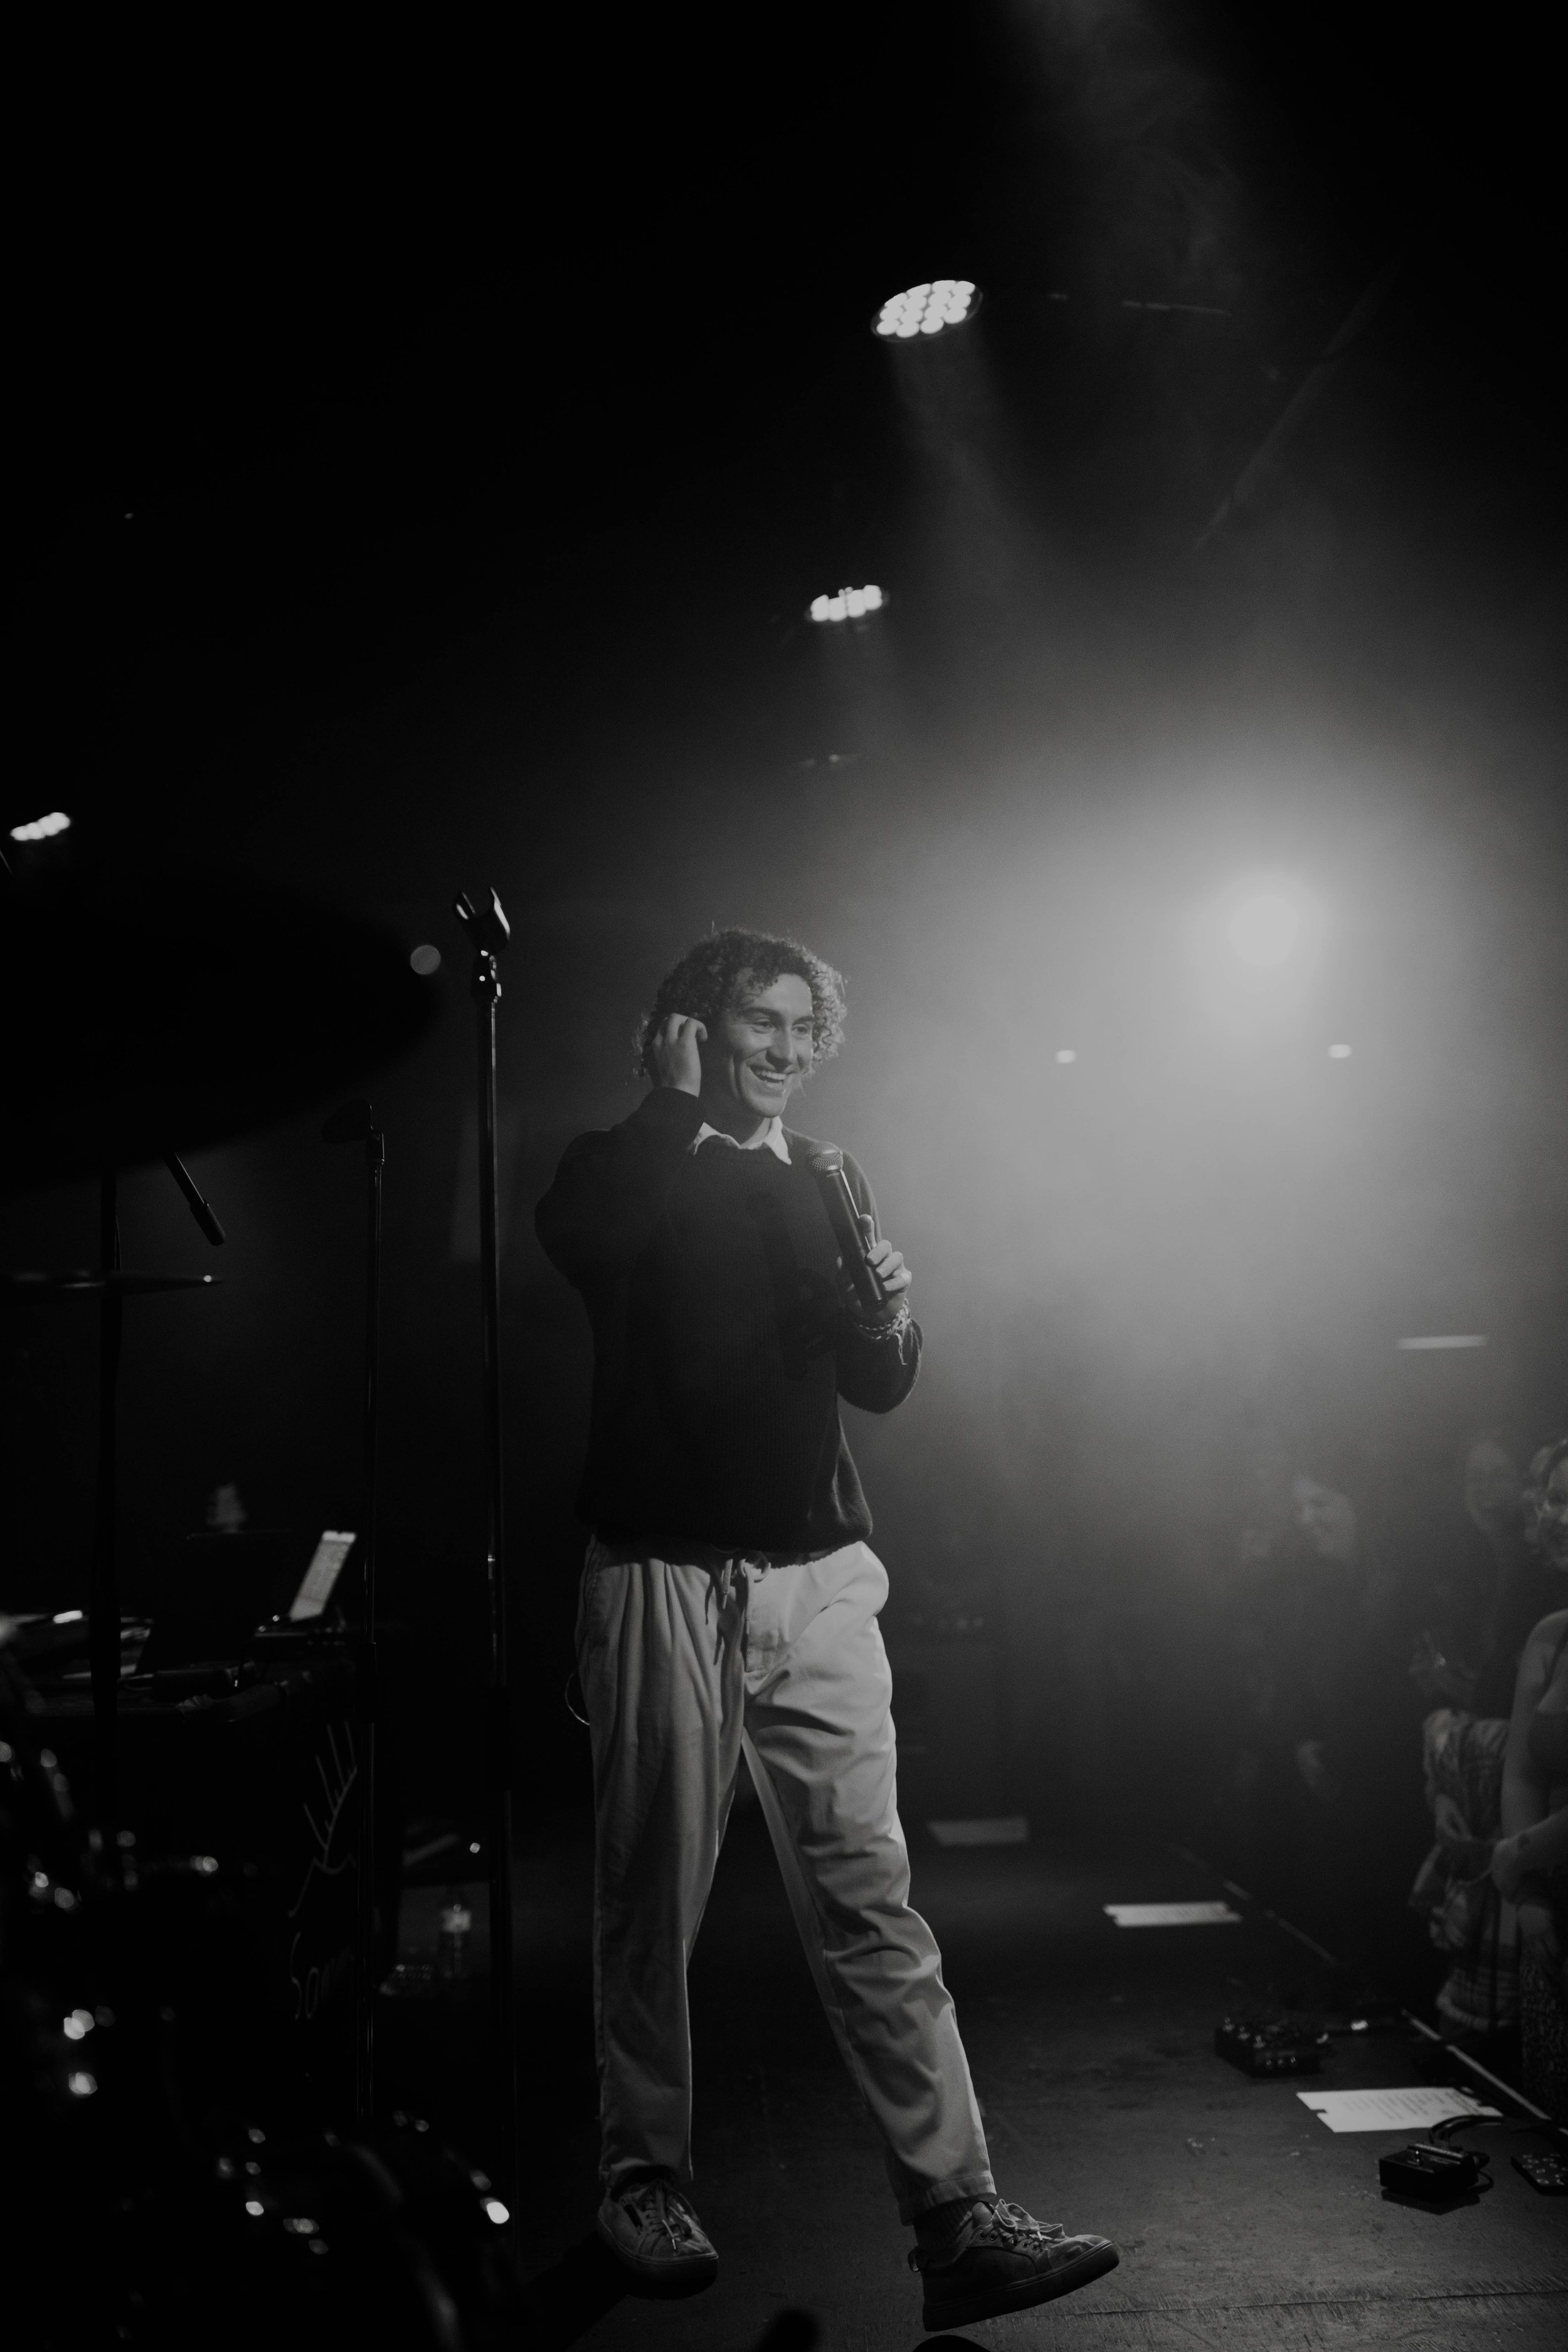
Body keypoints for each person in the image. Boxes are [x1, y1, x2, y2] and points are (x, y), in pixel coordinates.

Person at [535, 926, 1118, 2332]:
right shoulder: (625, 1161)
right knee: (649, 1902)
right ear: (694, 1028)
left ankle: (957, 2217)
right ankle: (639, 2186)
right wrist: (670, 1106)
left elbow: (880, 1381)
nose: (788, 1051)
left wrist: (897, 1319)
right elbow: (583, 1245)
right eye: (761, 1022)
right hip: (663, 1572)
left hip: (818, 1577)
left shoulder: (830, 1175)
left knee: (872, 1899)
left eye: (805, 1028)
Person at [1491, 1435, 1568, 2119]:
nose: (1558, 1515)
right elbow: (1520, 1773)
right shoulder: (1550, 1635)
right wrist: (1532, 1896)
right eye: (1554, 1498)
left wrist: (1518, 1857)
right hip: (1550, 1911)